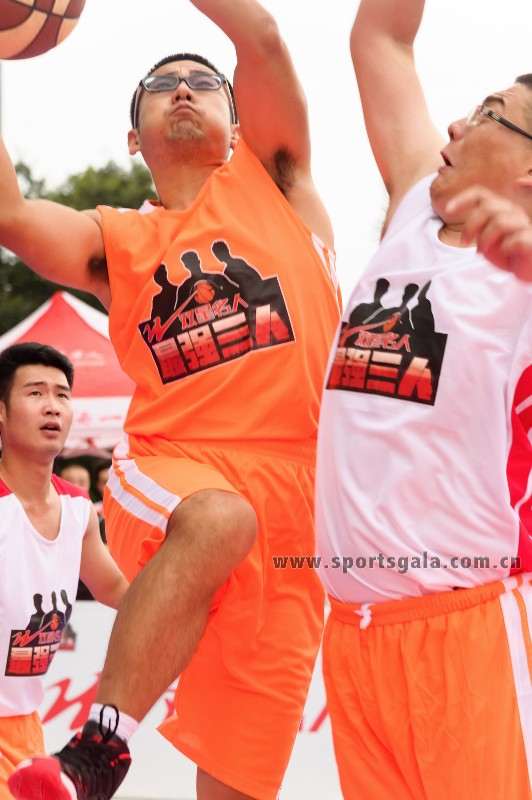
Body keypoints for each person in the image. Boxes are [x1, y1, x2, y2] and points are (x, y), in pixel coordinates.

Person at [4, 2, 341, 799]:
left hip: (302, 506)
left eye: (203, 82)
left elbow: (259, 36)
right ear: (134, 138)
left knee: (239, 781)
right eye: (162, 86)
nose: (184, 89)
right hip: (175, 470)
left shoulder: (279, 183)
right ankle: (100, 750)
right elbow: (12, 216)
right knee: (221, 516)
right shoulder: (116, 242)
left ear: (237, 123)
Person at [314, 2, 532, 799]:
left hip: (467, 630)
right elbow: (381, 37)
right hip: (355, 634)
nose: (456, 123)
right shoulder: (415, 206)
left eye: (489, 115)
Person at [0, 342, 128, 796]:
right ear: (1, 412)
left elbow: (118, 590)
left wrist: (198, 602)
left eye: (62, 394)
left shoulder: (78, 511)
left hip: (24, 726)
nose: (52, 405)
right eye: (35, 393)